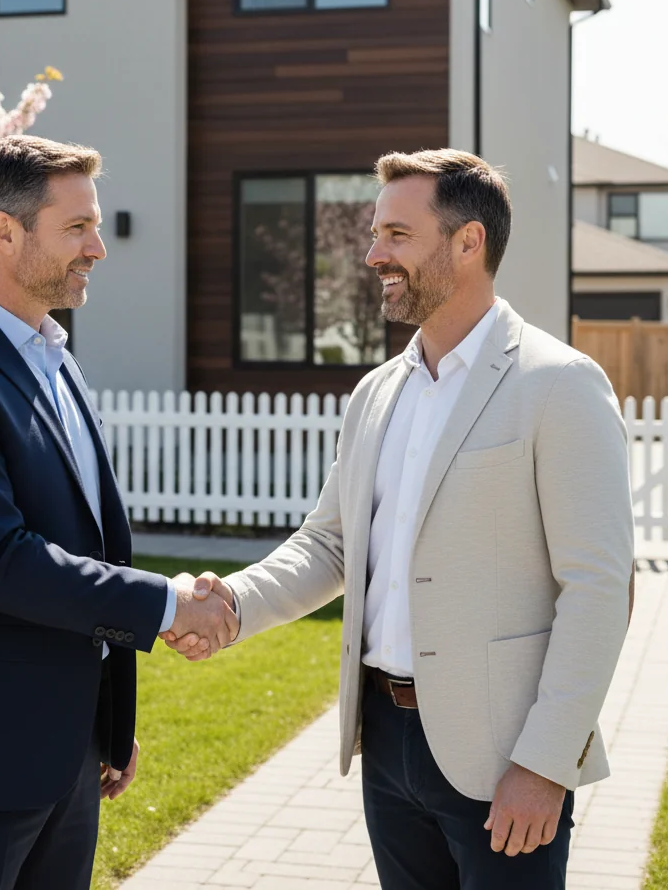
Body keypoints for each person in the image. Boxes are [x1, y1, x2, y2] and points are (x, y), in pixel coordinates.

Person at [165, 148, 635, 890]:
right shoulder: (376, 394)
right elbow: (332, 543)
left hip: (504, 757)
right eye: (375, 234)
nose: (371, 254)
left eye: (396, 235)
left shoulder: (560, 385)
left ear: (468, 242)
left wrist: (545, 763)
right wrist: (234, 601)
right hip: (384, 743)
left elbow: (600, 589)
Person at [0, 135, 237, 890]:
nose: (97, 247)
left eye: (94, 227)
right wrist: (168, 604)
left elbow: (89, 540)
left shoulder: (56, 358)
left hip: (66, 755)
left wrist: (108, 722)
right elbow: (0, 562)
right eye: (76, 228)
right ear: (3, 232)